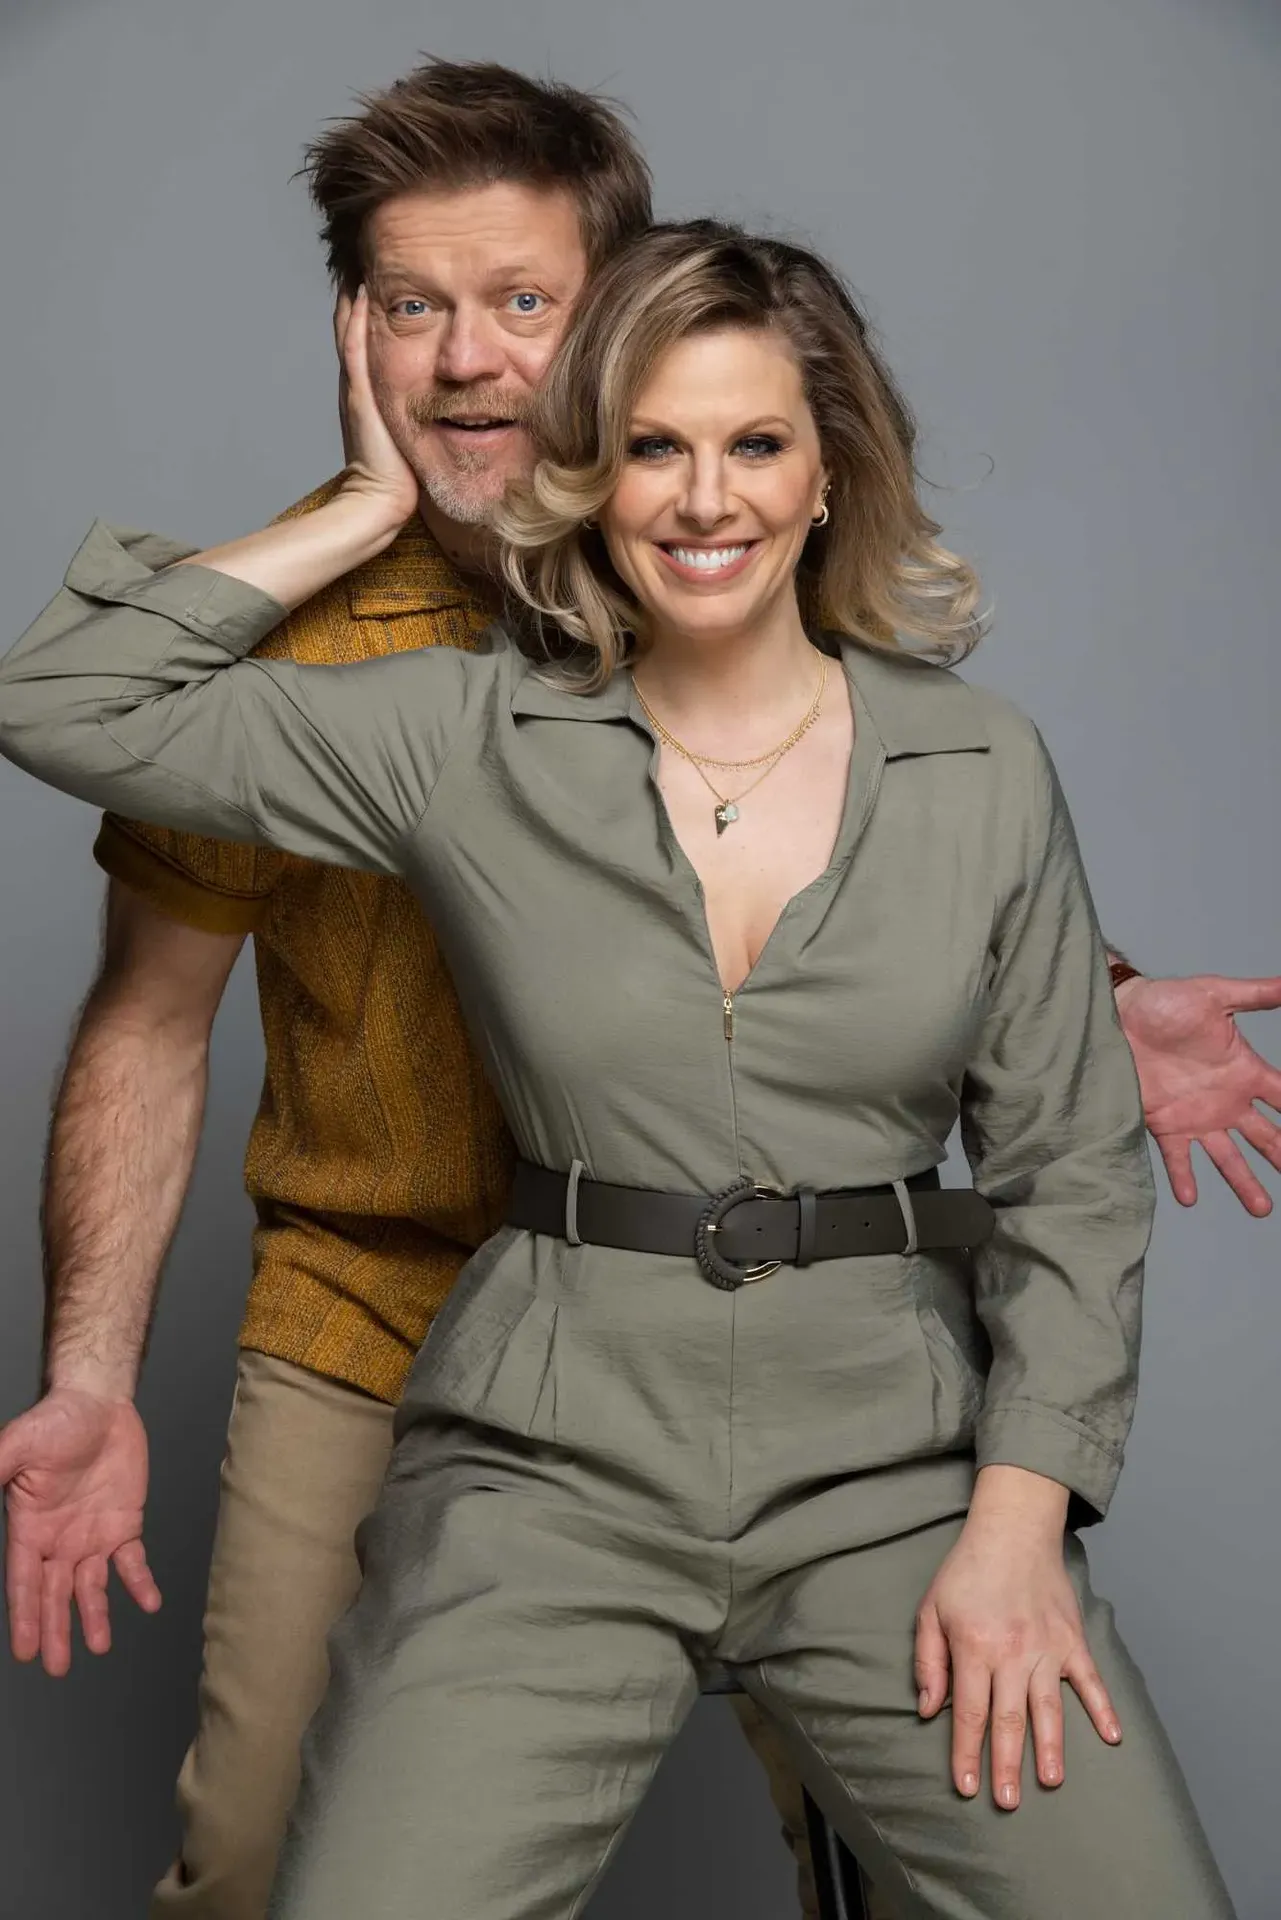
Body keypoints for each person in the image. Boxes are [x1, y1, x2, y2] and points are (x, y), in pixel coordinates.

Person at [2, 56, 1276, 1920]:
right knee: (278, 1857)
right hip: (461, 1365)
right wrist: (356, 508)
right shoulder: (407, 708)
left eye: (521, 302)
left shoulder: (934, 735)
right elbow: (123, 930)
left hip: (862, 1411)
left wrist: (1093, 1001)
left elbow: (990, 1065)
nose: (466, 361)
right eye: (412, 308)